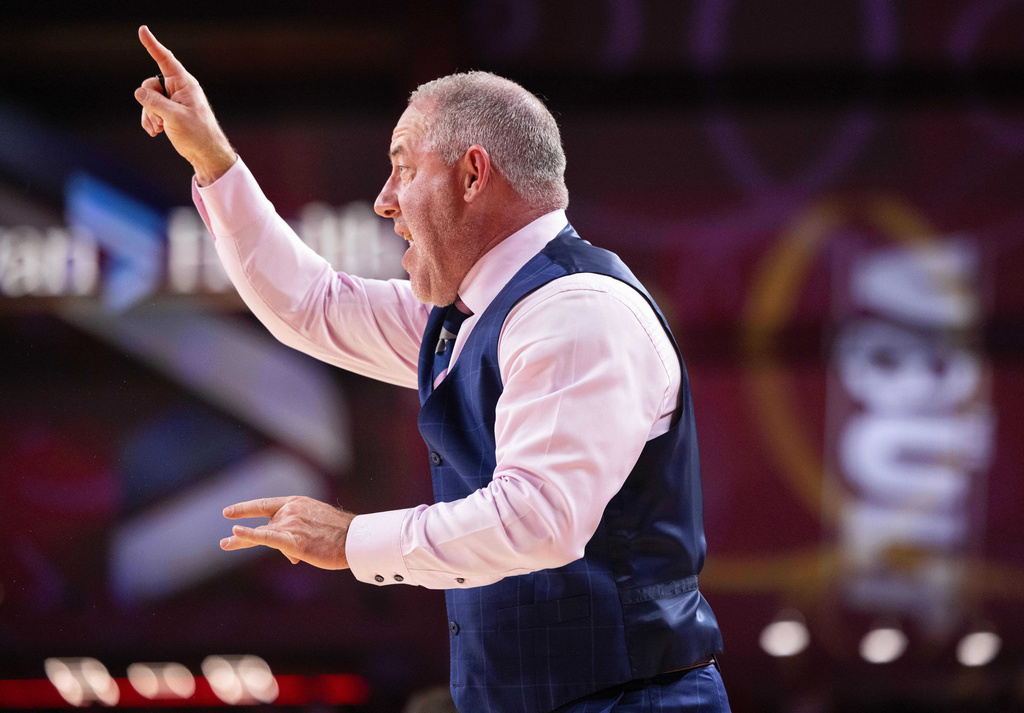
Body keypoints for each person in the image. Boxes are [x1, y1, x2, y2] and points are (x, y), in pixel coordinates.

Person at [134, 24, 729, 713]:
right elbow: (310, 305)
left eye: (405, 169)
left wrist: (350, 540)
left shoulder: (575, 310)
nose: (384, 199)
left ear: (473, 175)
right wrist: (212, 158)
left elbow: (537, 519)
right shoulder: (476, 311)